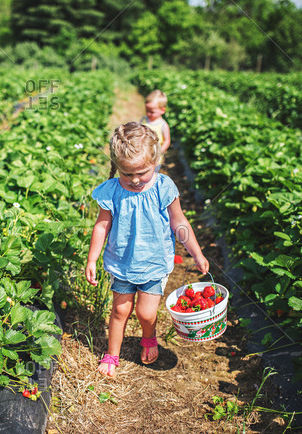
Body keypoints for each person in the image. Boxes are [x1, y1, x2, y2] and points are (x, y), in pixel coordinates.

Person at [85, 122, 209, 377]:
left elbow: (180, 222)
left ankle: (149, 337)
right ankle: (112, 354)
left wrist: (196, 253)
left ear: (156, 161)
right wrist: (92, 259)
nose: (135, 180)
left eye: (142, 172)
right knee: (120, 310)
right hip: (121, 261)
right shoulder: (111, 191)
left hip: (154, 261)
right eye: (127, 174)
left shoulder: (164, 187)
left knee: (146, 312)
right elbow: (101, 226)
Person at [140, 89, 171, 155]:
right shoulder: (144, 120)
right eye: (147, 110)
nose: (148, 114)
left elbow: (167, 140)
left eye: (152, 112)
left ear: (162, 110)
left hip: (155, 156)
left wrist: (160, 151)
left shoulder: (163, 125)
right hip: (143, 154)